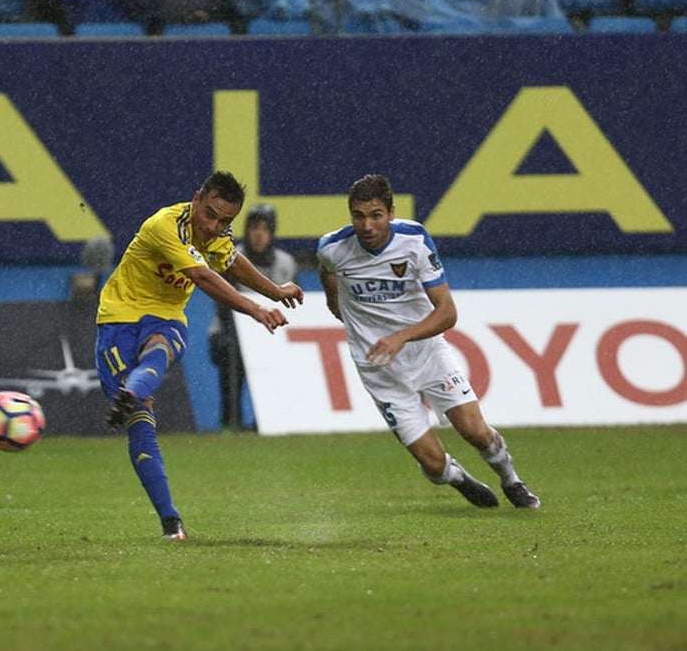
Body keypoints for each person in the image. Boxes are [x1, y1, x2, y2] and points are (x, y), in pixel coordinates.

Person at [95, 170, 304, 540]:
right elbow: (205, 277)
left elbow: (231, 262)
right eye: (210, 214)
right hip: (118, 320)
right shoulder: (165, 224)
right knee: (143, 423)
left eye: (226, 221)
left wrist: (273, 291)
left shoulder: (216, 233)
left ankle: (171, 524)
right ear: (196, 199)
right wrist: (257, 309)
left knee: (163, 348)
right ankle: (170, 519)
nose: (214, 227)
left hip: (164, 317)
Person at [316, 173, 541, 509]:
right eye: (358, 216)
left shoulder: (414, 240)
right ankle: (460, 479)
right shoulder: (333, 248)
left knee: (476, 432)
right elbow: (326, 269)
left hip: (426, 352)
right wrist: (333, 301)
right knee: (434, 466)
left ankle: (511, 479)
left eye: (376, 215)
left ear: (391, 213)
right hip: (378, 367)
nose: (367, 225)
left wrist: (401, 337)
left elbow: (448, 313)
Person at [208, 203, 297, 430]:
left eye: (264, 229)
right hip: (232, 330)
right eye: (254, 228)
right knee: (230, 351)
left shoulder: (286, 263)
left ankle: (268, 422)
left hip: (273, 332)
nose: (258, 235)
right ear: (246, 231)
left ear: (272, 233)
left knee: (283, 359)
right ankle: (230, 420)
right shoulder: (231, 257)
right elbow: (223, 303)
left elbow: (296, 307)